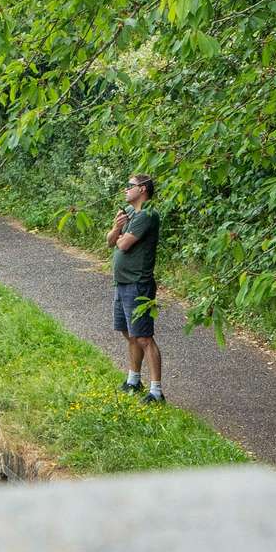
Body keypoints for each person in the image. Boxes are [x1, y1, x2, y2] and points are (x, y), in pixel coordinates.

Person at [107, 173, 164, 403]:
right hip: (122, 282)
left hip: (138, 283)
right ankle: (133, 380)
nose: (125, 189)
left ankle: (156, 392)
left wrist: (119, 233)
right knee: (128, 332)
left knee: (144, 337)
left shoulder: (147, 215)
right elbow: (111, 240)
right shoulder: (130, 213)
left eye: (129, 186)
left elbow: (123, 243)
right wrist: (115, 227)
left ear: (142, 189)